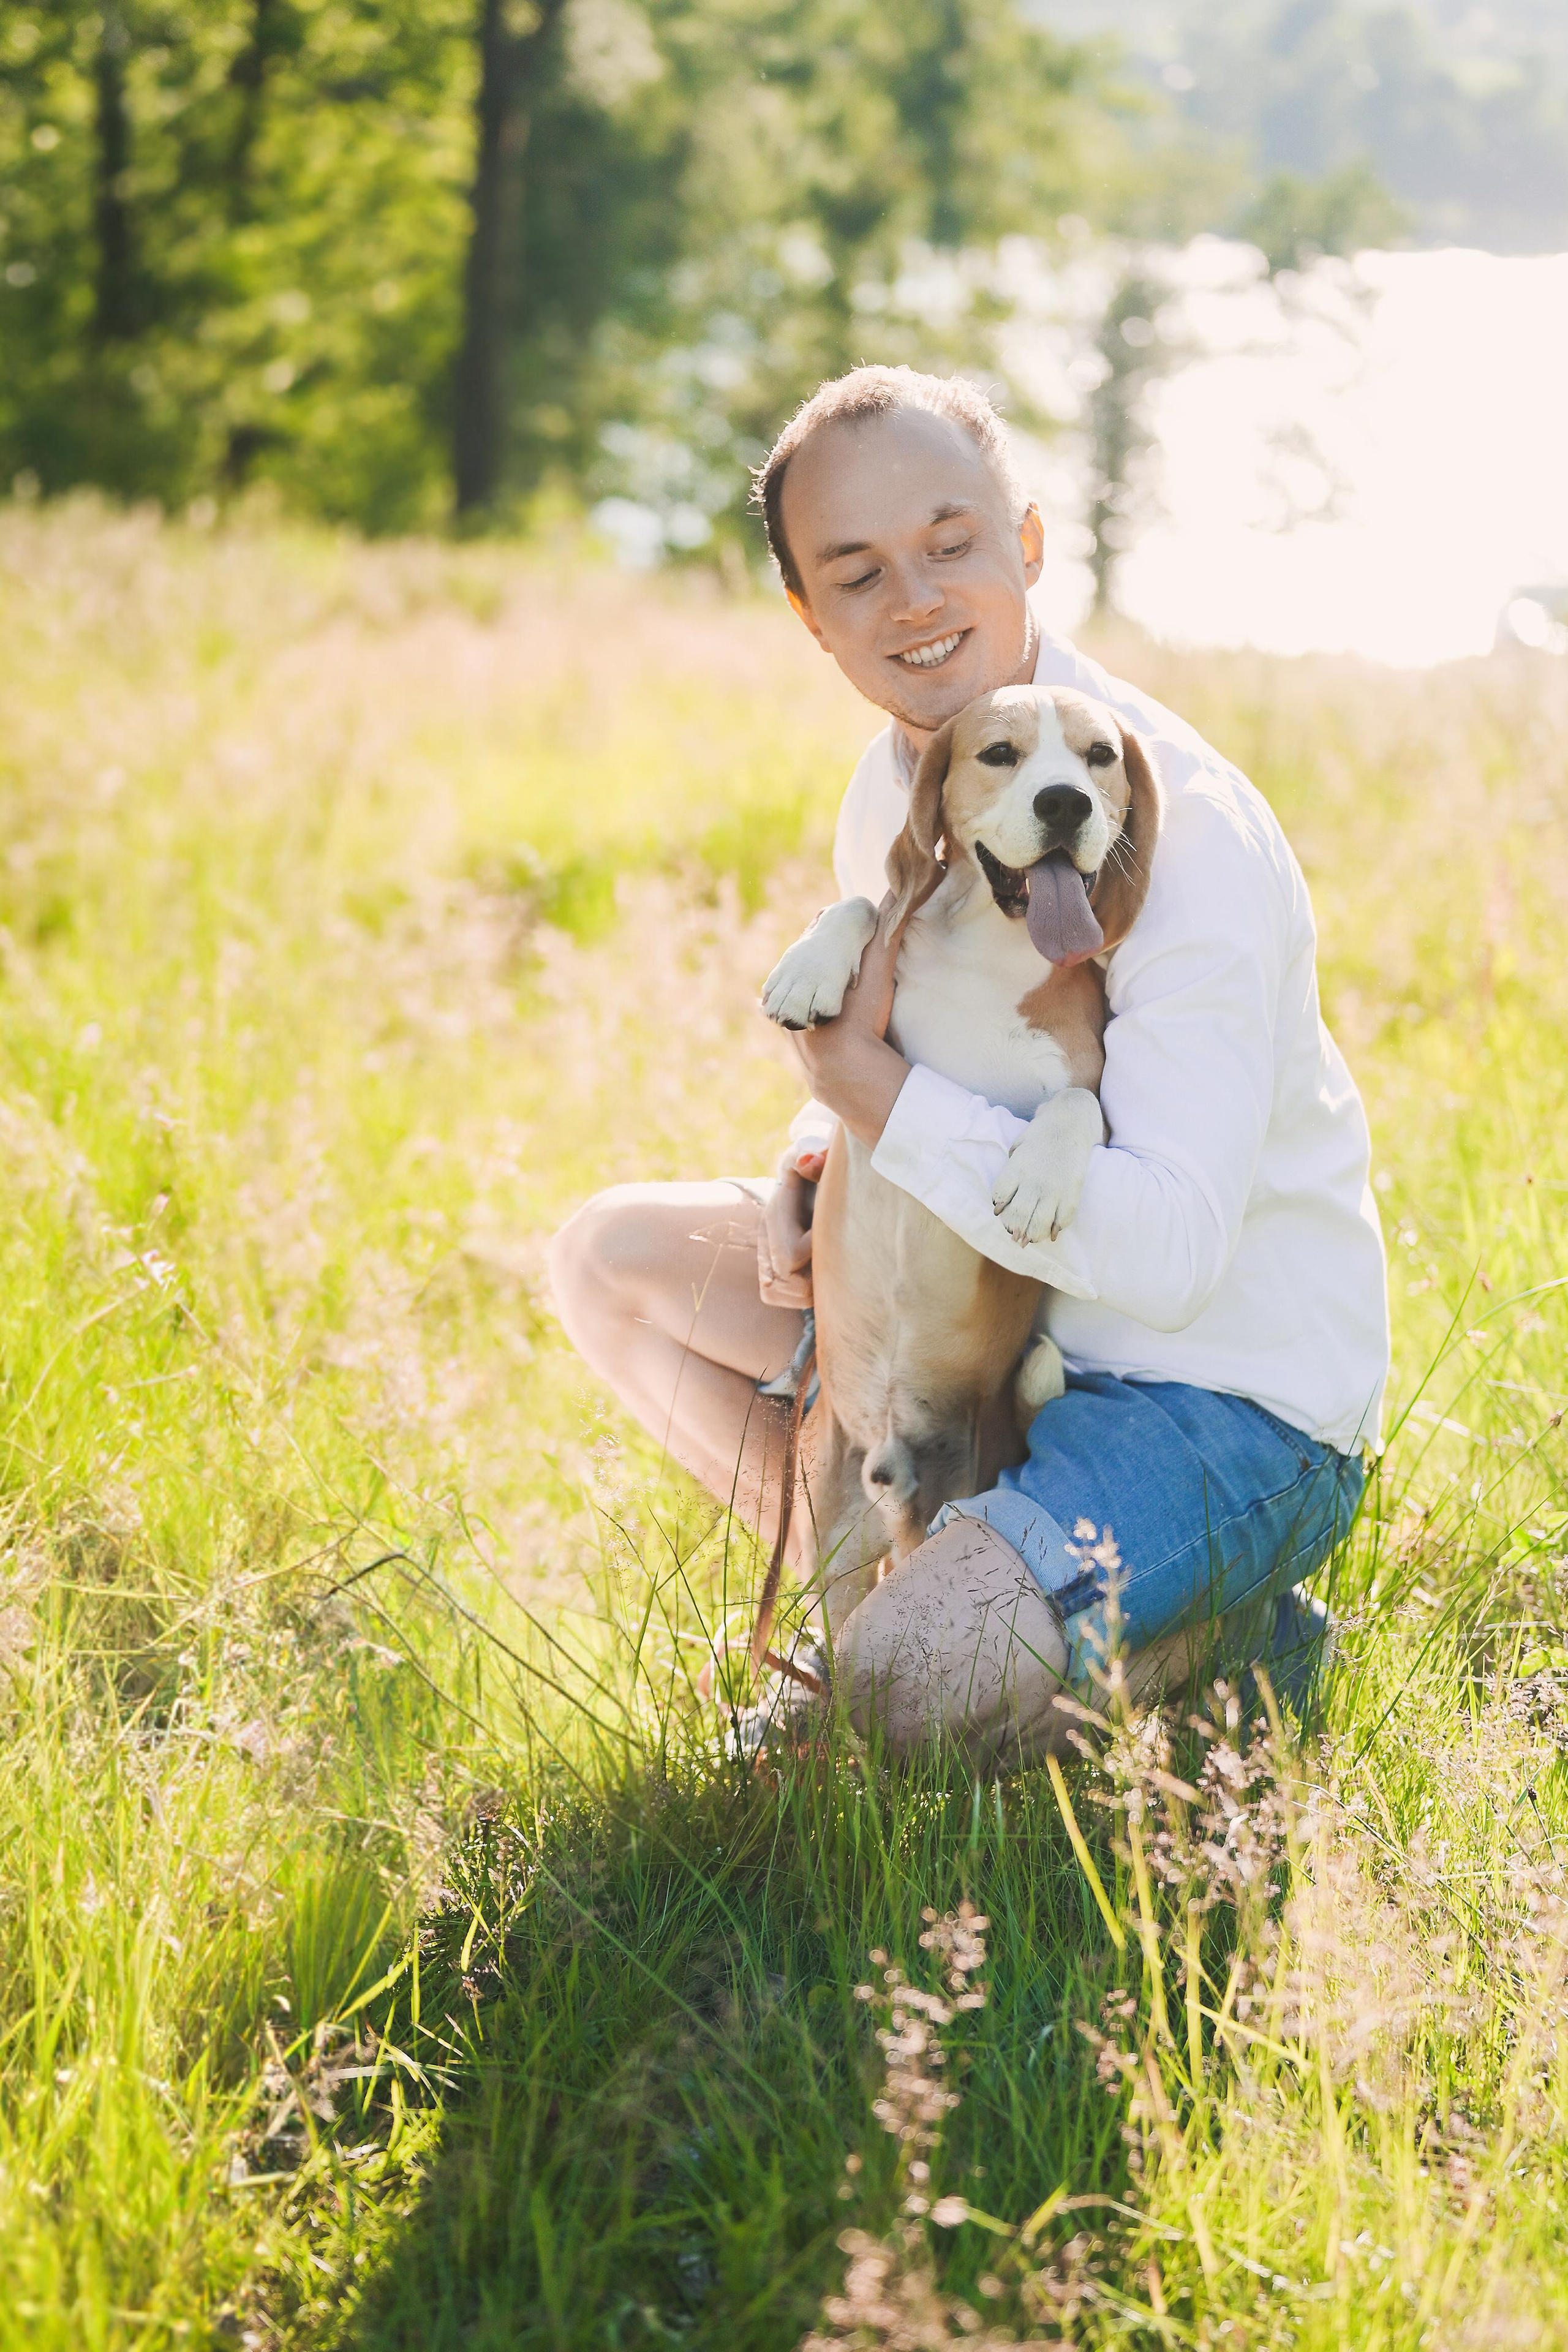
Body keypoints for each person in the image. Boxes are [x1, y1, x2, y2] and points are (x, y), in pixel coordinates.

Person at [548, 364, 1388, 1765]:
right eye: (858, 572)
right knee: (606, 1262)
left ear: (1030, 545)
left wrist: (870, 1101)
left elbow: (1173, 1260)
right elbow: (939, 1053)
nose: (917, 601)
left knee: (884, 1704)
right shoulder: (897, 783)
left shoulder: (1186, 831)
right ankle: (916, 1584)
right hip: (980, 1340)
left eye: (950, 543)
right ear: (809, 619)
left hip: (1210, 1402)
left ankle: (1224, 1636)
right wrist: (821, 1161)